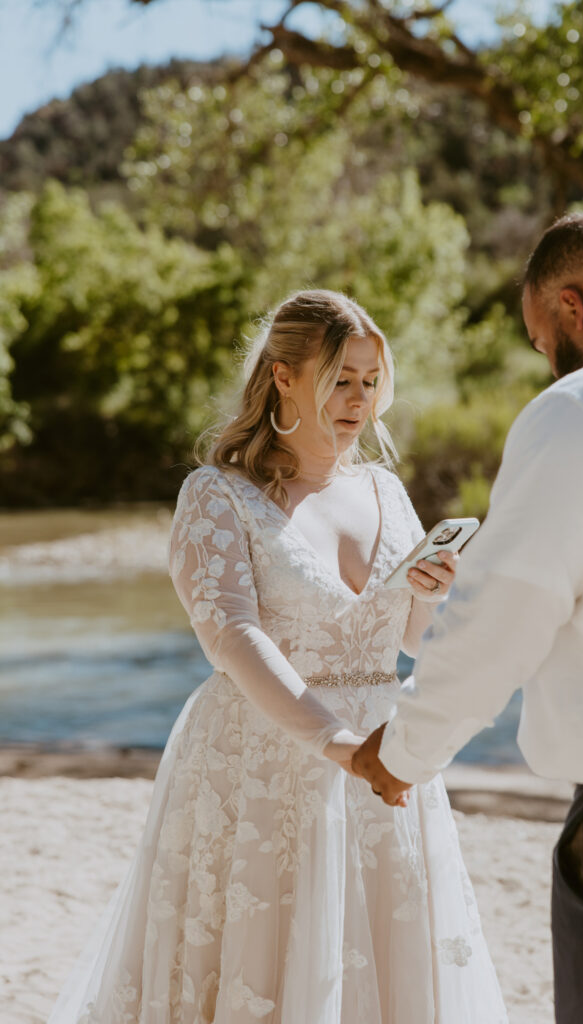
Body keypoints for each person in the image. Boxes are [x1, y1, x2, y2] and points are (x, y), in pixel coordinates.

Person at [48, 289, 507, 1023]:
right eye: (338, 380)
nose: (357, 401)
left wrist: (433, 592)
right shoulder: (216, 496)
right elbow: (230, 634)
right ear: (284, 377)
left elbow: (413, 640)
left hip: (387, 755)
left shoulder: (385, 489)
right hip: (264, 759)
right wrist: (340, 744)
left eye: (368, 381)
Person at [352, 211, 583, 1023]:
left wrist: (403, 752)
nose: (547, 362)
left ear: (571, 307)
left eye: (540, 341)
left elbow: (503, 617)